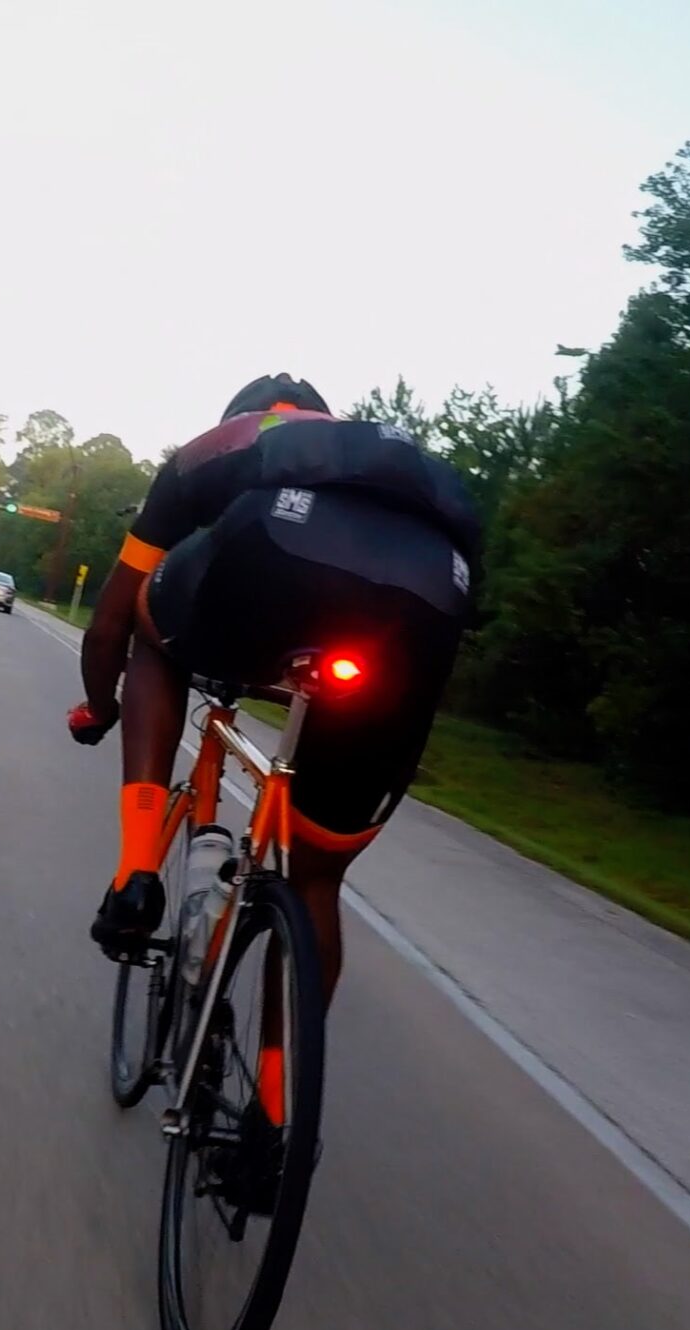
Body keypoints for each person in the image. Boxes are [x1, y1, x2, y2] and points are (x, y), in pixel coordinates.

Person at [66, 373, 480, 1124]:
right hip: (428, 597)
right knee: (316, 879)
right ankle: (274, 1109)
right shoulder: (388, 467)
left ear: (245, 416)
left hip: (277, 553)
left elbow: (107, 629)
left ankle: (136, 875)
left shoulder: (221, 448)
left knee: (150, 634)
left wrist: (100, 707)